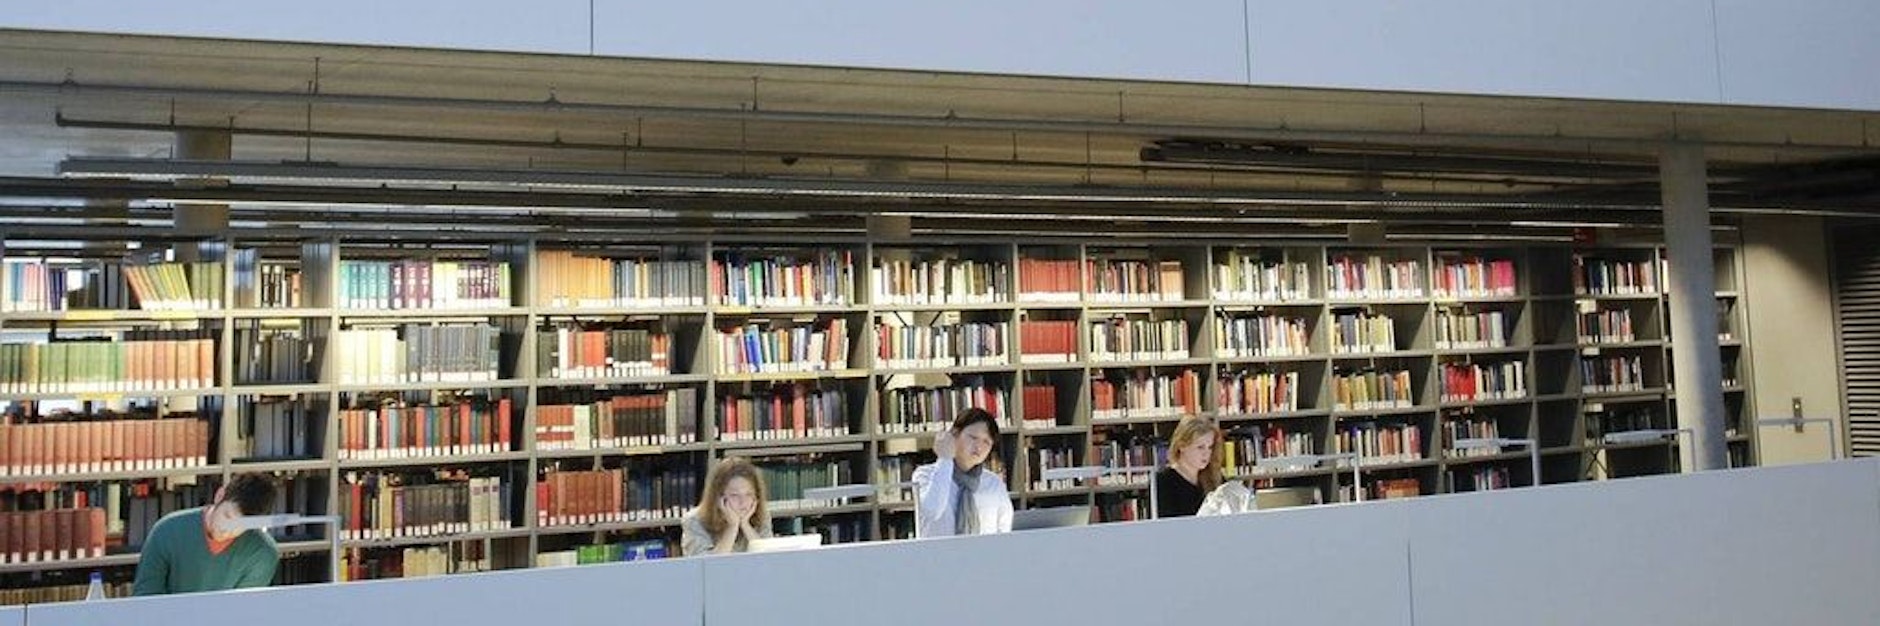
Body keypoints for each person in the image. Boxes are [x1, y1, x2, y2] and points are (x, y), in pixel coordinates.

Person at [132, 473, 281, 596]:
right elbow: (145, 599)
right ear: (220, 495)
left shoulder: (262, 554)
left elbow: (240, 614)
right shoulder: (167, 530)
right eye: (227, 516)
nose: (227, 530)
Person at [911, 407, 1013, 537]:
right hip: (937, 556)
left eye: (986, 442)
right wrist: (945, 458)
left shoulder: (993, 483)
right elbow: (932, 511)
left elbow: (1004, 531)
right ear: (954, 434)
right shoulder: (925, 475)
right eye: (973, 437)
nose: (979, 447)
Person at [680, 457, 774, 555]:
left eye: (749, 494)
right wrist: (732, 527)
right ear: (718, 497)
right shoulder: (694, 520)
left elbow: (769, 560)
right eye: (734, 495)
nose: (743, 502)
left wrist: (746, 525)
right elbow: (707, 567)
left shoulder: (763, 516)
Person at [1156, 416, 1223, 518]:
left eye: (1210, 447)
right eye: (1200, 447)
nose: (1206, 453)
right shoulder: (1163, 481)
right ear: (1182, 446)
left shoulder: (1214, 477)